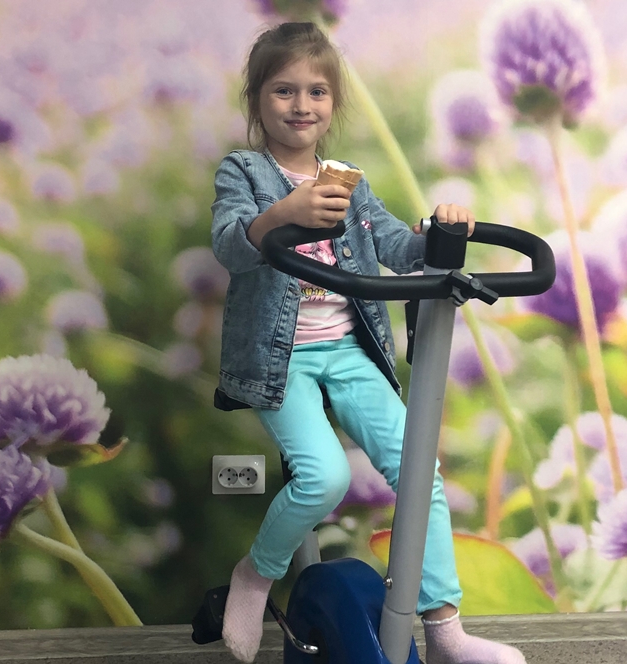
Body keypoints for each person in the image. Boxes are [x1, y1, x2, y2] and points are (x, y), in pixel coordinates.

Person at [210, 21, 526, 664]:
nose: (301, 105)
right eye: (283, 91)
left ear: (333, 103)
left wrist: (442, 230)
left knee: (419, 472)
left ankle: (444, 631)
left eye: (317, 92)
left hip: (349, 351)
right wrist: (283, 215)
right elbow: (228, 246)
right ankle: (256, 573)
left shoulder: (348, 180)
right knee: (323, 477)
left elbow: (398, 247)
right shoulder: (243, 171)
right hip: (280, 360)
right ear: (257, 100)